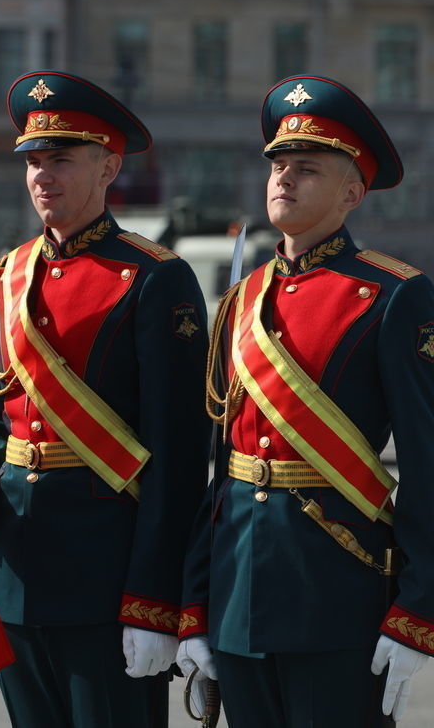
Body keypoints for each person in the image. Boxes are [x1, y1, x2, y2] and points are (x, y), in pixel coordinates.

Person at [177, 74, 434, 726]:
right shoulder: (240, 301)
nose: (285, 178)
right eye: (279, 165)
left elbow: (429, 467)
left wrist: (416, 613)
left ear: (352, 193)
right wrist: (195, 603)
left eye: (308, 168)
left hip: (339, 602)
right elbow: (221, 472)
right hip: (239, 600)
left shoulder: (393, 295)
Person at [0, 71, 210, 727]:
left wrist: (155, 600)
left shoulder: (156, 278)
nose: (43, 175)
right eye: (34, 161)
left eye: (62, 160)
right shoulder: (7, 277)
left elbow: (179, 458)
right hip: (18, 576)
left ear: (109, 167)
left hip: (109, 584)